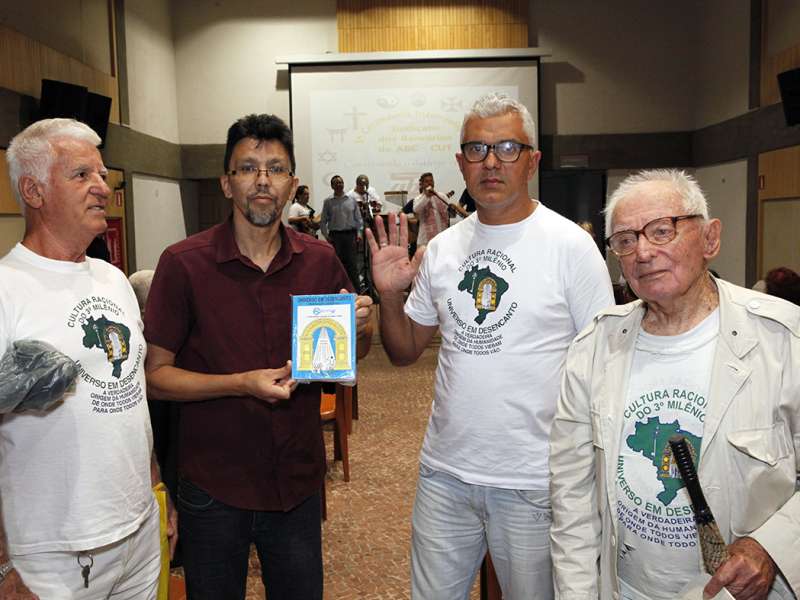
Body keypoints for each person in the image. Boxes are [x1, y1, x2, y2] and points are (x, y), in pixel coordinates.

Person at [367, 92, 614, 599]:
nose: (491, 163)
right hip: (445, 475)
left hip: (535, 481)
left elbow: (606, 367)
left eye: (507, 148)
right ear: (461, 163)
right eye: (477, 150)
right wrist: (389, 296)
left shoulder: (571, 247)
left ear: (532, 161)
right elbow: (405, 350)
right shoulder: (442, 248)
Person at [143, 113, 373, 600]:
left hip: (296, 483)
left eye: (276, 169)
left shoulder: (319, 261)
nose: (263, 180)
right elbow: (156, 377)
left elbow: (352, 356)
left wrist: (362, 327)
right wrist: (239, 383)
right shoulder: (184, 264)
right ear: (227, 183)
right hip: (213, 486)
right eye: (248, 168)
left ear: (292, 182)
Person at [549, 170, 800, 600]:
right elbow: (572, 500)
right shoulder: (593, 348)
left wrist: (771, 546)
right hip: (626, 590)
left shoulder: (783, 339)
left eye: (662, 231)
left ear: (710, 239)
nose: (643, 252)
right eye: (625, 240)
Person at [0, 118, 175, 599]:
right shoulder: (7, 289)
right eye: (82, 175)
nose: (102, 187)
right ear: (34, 191)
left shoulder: (112, 278)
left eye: (102, 174)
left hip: (139, 533)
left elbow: (131, 396)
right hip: (51, 557)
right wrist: (2, 567)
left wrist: (157, 495)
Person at [321, 174, 363, 290]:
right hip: (336, 237)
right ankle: (338, 291)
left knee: (352, 265)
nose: (339, 185)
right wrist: (326, 236)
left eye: (341, 182)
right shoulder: (328, 202)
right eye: (337, 183)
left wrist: (359, 234)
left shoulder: (352, 200)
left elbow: (359, 220)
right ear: (332, 186)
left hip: (350, 236)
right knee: (337, 265)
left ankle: (356, 292)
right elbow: (323, 221)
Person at [411, 172, 454, 246]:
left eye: (431, 181)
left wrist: (452, 210)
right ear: (422, 184)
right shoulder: (418, 199)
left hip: (442, 237)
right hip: (425, 240)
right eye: (426, 181)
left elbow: (450, 214)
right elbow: (416, 209)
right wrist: (427, 196)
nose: (429, 183)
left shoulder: (442, 196)